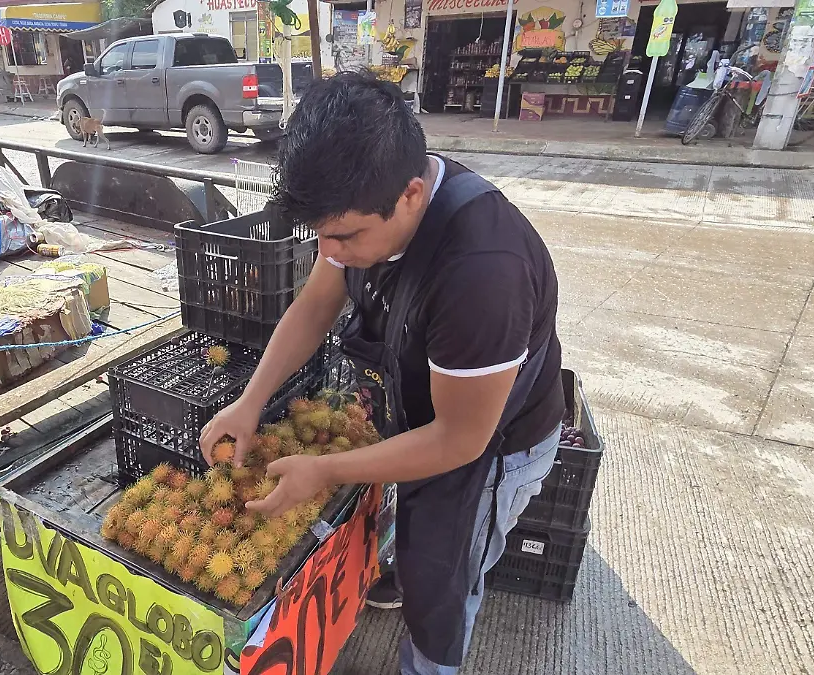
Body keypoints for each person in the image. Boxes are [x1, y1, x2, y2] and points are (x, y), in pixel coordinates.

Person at [199, 72, 565, 675]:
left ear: (413, 195)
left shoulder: (482, 275)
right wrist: (250, 401)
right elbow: (315, 305)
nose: (333, 252)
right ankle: (406, 567)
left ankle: (429, 662)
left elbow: (458, 440)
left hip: (493, 447)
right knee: (417, 534)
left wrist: (325, 470)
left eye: (345, 237)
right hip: (426, 411)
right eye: (323, 237)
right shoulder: (363, 196)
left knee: (448, 581)